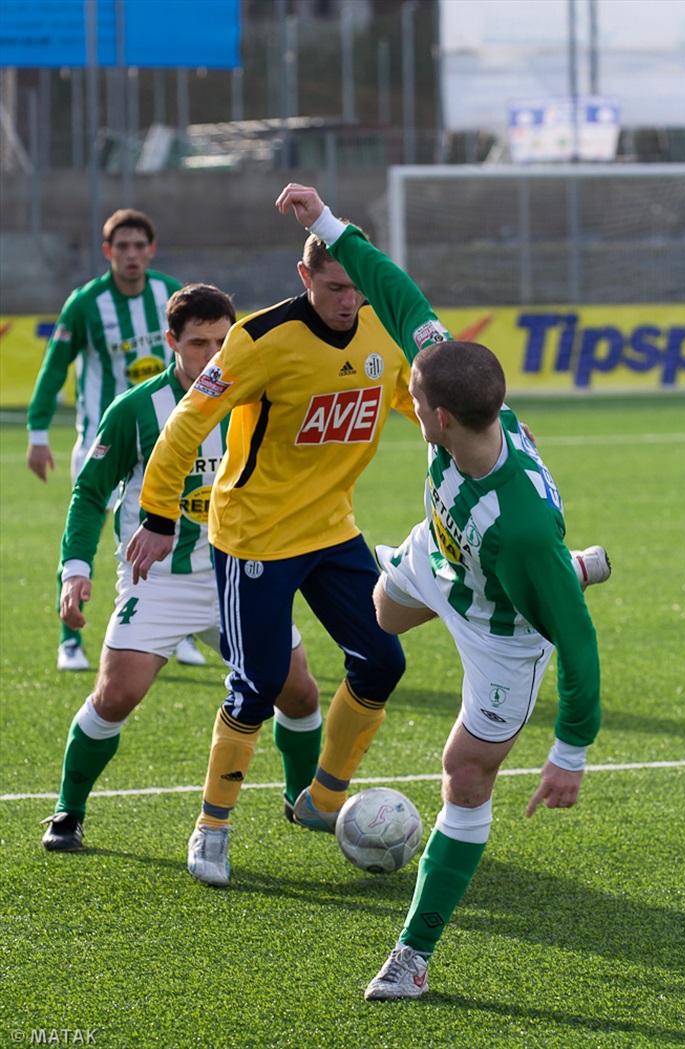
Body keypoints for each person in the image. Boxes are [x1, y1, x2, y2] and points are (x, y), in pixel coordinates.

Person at [275, 183, 610, 1001]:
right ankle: (560, 573)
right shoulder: (461, 391)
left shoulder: (521, 526)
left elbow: (581, 646)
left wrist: (569, 752)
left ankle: (413, 955)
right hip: (443, 556)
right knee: (379, 621)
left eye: (414, 402)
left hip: (506, 625)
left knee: (463, 771)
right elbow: (396, 289)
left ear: (442, 419)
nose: (408, 405)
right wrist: (324, 221)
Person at [125, 224, 422, 887]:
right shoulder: (258, 339)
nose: (349, 301)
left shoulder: (384, 330)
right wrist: (159, 514)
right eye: (335, 288)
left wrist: (485, 430)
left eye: (357, 288)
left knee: (382, 658)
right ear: (305, 276)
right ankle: (212, 825)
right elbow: (185, 426)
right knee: (257, 683)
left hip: (331, 529)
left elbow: (412, 396)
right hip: (255, 534)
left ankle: (320, 800)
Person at [39, 284, 318, 852]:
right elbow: (91, 493)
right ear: (171, 341)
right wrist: (74, 567)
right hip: (159, 581)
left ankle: (302, 801)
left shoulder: (261, 400)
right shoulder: (137, 410)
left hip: (240, 577)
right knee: (115, 696)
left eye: (222, 341)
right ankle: (68, 812)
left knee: (301, 696)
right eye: (198, 343)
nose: (212, 354)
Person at [26, 208, 202, 671]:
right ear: (108, 252)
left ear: (151, 250)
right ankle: (71, 639)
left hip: (170, 435)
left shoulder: (170, 293)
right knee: (87, 521)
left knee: (182, 522)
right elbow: (54, 368)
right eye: (121, 247)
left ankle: (180, 631)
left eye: (138, 246)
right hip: (102, 437)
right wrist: (38, 431)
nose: (131, 255)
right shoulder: (85, 304)